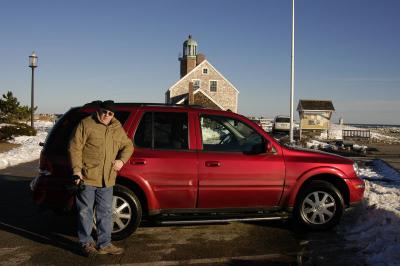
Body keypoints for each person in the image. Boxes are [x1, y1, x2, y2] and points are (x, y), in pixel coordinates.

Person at [68, 100, 134, 256]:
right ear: (99, 110)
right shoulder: (86, 124)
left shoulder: (116, 128)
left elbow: (128, 146)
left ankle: (104, 244)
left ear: (113, 115)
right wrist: (76, 171)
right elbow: (74, 147)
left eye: (110, 113)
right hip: (87, 177)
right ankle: (87, 244)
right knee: (85, 212)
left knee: (105, 212)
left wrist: (121, 161)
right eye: (104, 112)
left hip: (107, 179)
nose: (107, 115)